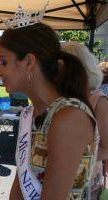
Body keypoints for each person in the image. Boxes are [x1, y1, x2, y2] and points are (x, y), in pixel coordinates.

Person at [0, 23, 97, 199]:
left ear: (29, 62)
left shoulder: (69, 117)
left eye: (4, 62)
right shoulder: (31, 113)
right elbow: (21, 182)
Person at [62, 42, 108, 197]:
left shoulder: (98, 101)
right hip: (62, 182)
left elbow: (106, 148)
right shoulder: (64, 99)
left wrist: (71, 158)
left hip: (86, 186)